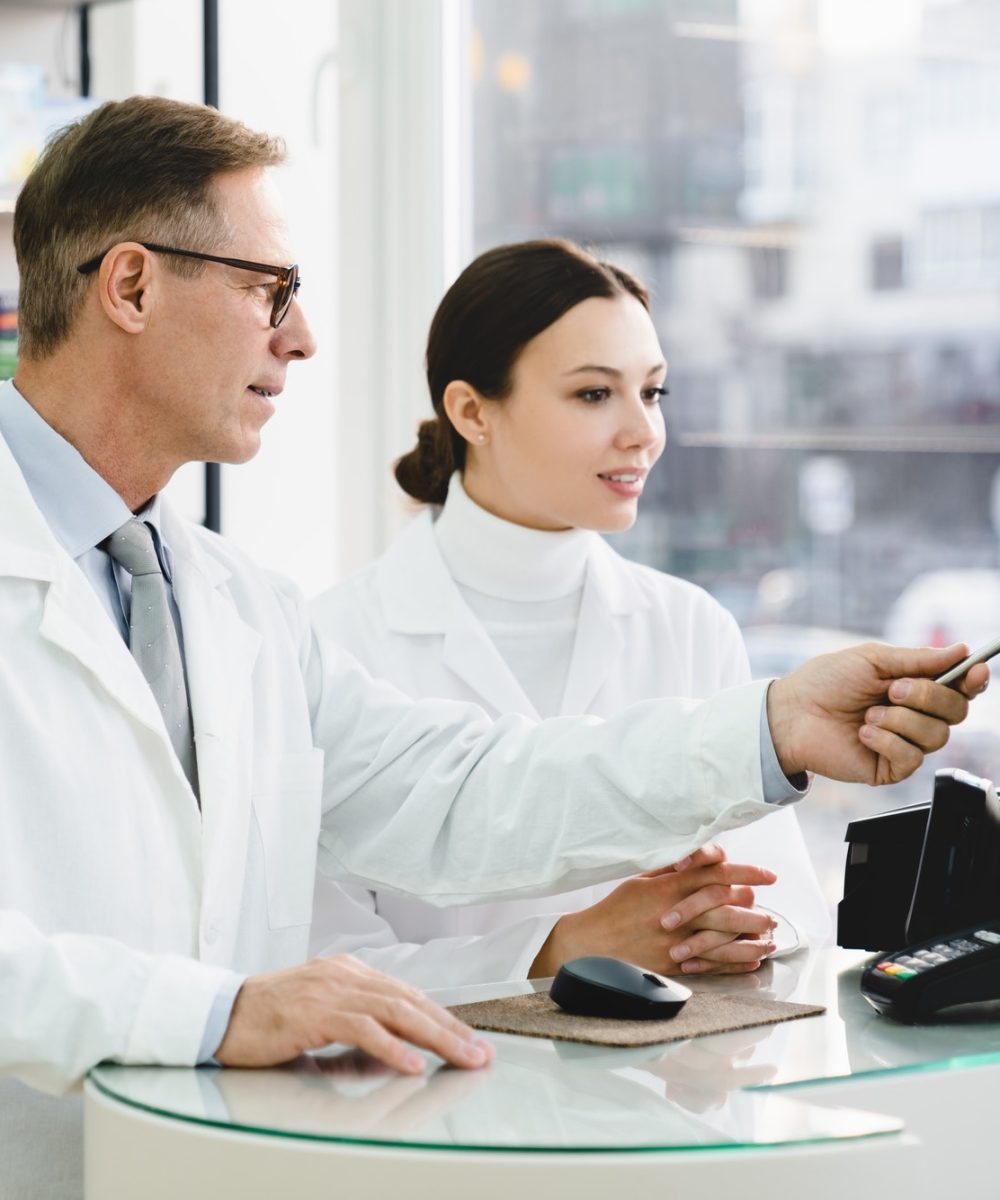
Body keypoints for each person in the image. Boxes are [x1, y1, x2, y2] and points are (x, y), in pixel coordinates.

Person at [0, 95, 982, 1200]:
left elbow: (456, 790)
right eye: (268, 289)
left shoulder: (236, 603)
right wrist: (219, 1009)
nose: (302, 336)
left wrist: (768, 730)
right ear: (131, 285)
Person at [309, 239, 831, 988]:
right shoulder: (333, 642)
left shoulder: (690, 625)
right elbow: (317, 969)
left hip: (667, 1092)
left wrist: (729, 931)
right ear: (471, 411)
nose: (642, 431)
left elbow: (788, 913)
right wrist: (561, 949)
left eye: (652, 392)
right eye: (594, 394)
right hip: (434, 1098)